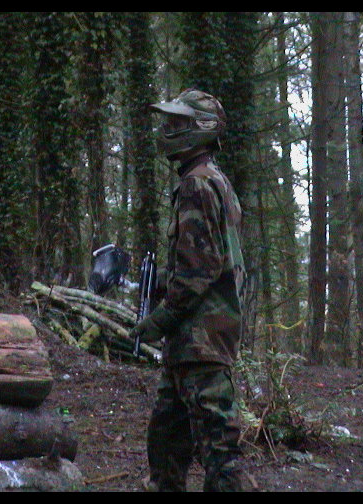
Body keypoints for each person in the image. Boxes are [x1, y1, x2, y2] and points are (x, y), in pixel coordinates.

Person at [129, 88, 247, 491]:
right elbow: (208, 258)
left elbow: (202, 268)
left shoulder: (198, 183)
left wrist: (160, 318)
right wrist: (162, 282)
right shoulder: (211, 180)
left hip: (202, 340)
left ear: (201, 129)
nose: (168, 129)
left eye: (177, 123)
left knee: (219, 451)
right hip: (193, 341)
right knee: (166, 441)